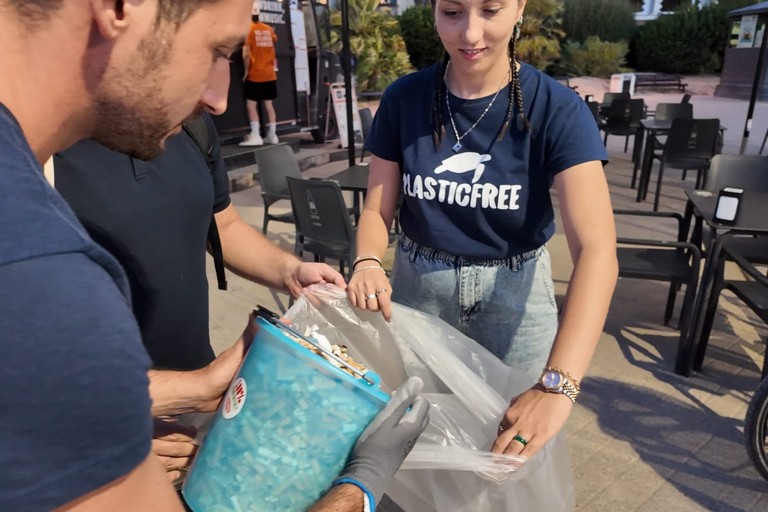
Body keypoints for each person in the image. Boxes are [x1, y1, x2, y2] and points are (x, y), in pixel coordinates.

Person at [0, 1, 427, 511]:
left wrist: (187, 390)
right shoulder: (33, 260)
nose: (220, 101)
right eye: (216, 51)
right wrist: (360, 486)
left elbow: (221, 225)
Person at [346, 0, 617, 488]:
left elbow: (597, 250)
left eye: (490, 10)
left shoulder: (556, 108)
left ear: (519, 8)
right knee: (414, 439)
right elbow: (376, 209)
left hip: (516, 297)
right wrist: (367, 260)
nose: (470, 34)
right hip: (420, 290)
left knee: (508, 457)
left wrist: (559, 385)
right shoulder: (405, 98)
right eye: (452, 12)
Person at [239, 4, 279, 146]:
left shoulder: (248, 30)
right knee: (269, 105)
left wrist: (246, 72)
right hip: (270, 74)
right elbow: (274, 39)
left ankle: (256, 136)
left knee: (251, 105)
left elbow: (246, 54)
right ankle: (272, 136)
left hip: (255, 74)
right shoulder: (268, 29)